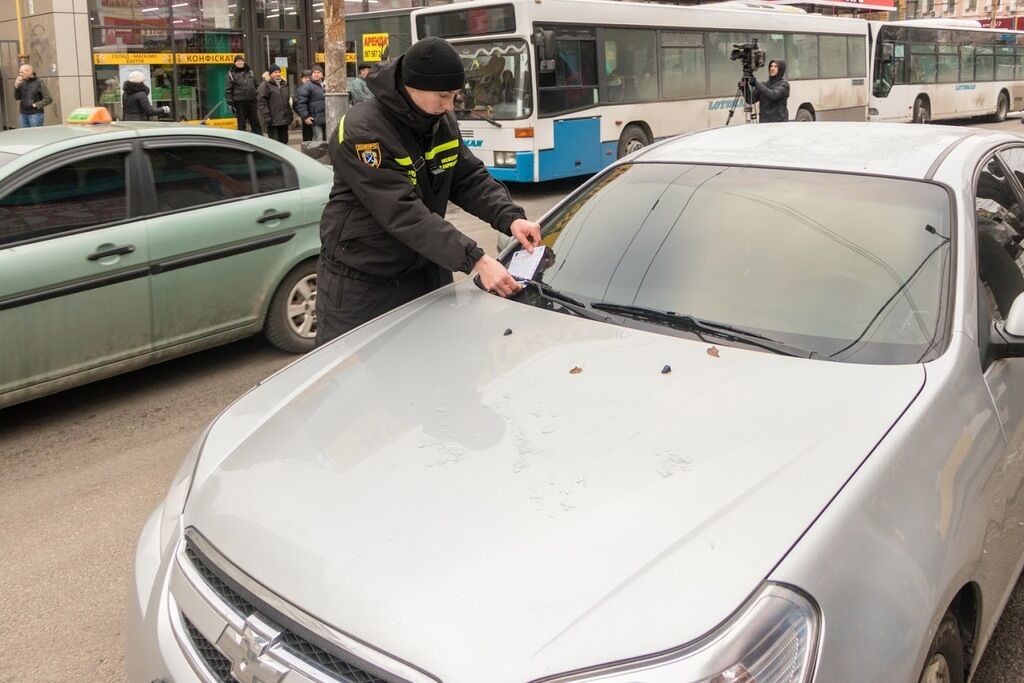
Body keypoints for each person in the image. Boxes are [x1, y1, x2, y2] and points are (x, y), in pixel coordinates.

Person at [316, 36, 542, 346]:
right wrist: (475, 258)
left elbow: (467, 178)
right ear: (412, 87)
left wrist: (510, 217)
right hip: (363, 283)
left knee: (440, 375)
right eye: (443, 96)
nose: (450, 106)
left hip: (426, 270)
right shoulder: (361, 131)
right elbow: (402, 212)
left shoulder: (440, 119)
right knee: (351, 386)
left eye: (454, 96)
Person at [743, 59, 789, 123]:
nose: (772, 68)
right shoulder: (764, 85)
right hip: (764, 123)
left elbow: (773, 95)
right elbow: (751, 100)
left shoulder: (784, 85)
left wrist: (756, 84)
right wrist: (744, 87)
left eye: (775, 67)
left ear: (781, 69)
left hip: (779, 124)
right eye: (771, 66)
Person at [226, 55, 262, 134]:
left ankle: (260, 140)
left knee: (255, 122)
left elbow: (257, 85)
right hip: (240, 102)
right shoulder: (231, 74)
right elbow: (228, 90)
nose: (240, 62)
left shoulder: (250, 72)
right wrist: (230, 103)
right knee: (242, 124)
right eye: (238, 61)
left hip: (252, 101)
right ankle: (242, 142)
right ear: (235, 63)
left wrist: (257, 95)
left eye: (241, 61)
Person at [258, 64, 292, 144]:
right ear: (270, 74)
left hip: (284, 120)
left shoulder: (284, 85)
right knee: (275, 143)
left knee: (284, 142)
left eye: (279, 72)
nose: (278, 74)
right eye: (275, 72)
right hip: (273, 120)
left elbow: (287, 102)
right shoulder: (265, 85)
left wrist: (290, 115)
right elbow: (262, 103)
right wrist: (267, 116)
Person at [294, 67, 326, 141]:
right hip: (315, 119)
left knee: (326, 139)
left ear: (322, 75)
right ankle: (316, 153)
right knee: (318, 138)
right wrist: (305, 117)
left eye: (318, 72)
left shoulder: (325, 85)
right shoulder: (307, 86)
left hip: (326, 118)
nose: (316, 74)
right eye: (314, 73)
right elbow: (301, 103)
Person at [295, 70, 313, 141]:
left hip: (316, 117)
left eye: (309, 77)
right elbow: (296, 105)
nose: (308, 79)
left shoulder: (316, 87)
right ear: (302, 79)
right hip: (306, 118)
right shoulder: (299, 90)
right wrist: (304, 115)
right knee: (307, 138)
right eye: (305, 77)